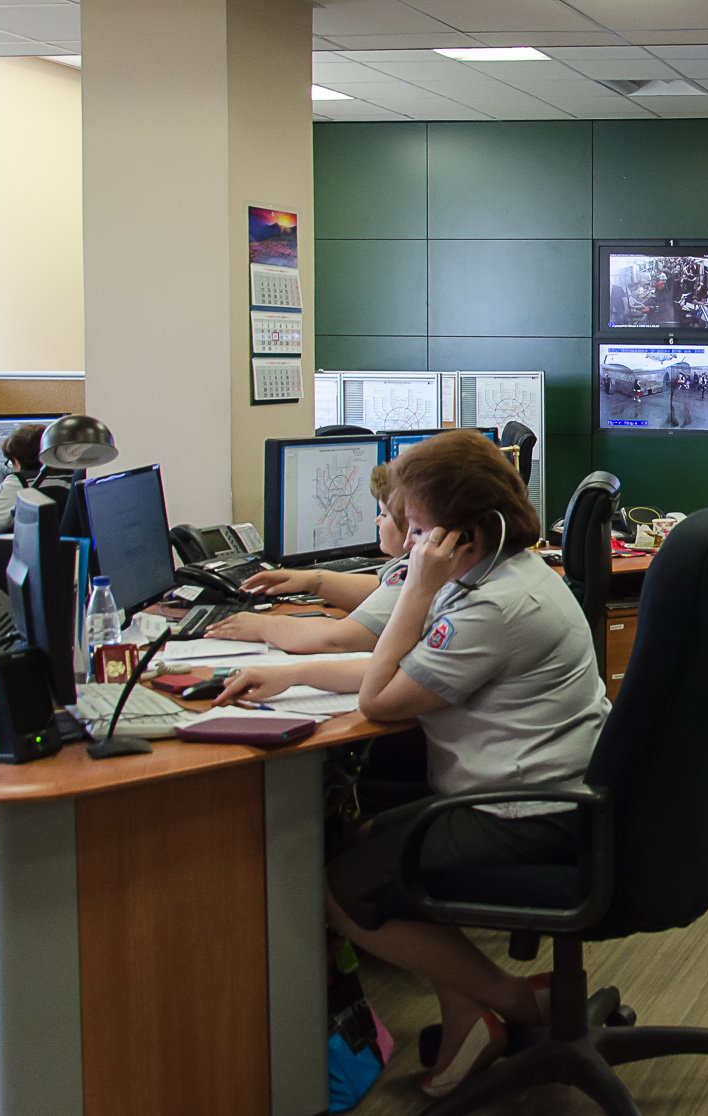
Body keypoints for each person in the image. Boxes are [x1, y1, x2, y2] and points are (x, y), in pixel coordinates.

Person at [216, 430, 605, 1097]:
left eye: (420, 530)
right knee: (374, 840)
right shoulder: (495, 575)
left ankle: (515, 1002)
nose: (412, 543)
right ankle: (469, 1020)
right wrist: (287, 676)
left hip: (529, 815)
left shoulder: (490, 607)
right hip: (540, 792)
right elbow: (401, 667)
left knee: (347, 890)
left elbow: (380, 694)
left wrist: (418, 588)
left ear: (467, 535)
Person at [207, 465, 412, 652]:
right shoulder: (412, 564)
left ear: (414, 522)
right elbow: (380, 590)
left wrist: (263, 627)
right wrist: (312, 580)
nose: (376, 520)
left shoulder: (414, 573)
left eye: (384, 514)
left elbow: (339, 639)